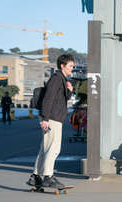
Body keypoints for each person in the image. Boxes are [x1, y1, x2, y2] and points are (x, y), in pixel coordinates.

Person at [26, 54, 74, 188]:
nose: (72, 68)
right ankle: (48, 176)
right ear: (62, 66)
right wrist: (45, 119)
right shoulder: (57, 79)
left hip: (52, 117)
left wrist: (69, 91)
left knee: (45, 148)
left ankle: (35, 177)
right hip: (52, 118)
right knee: (53, 148)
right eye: (70, 66)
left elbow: (60, 99)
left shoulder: (61, 79)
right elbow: (48, 98)